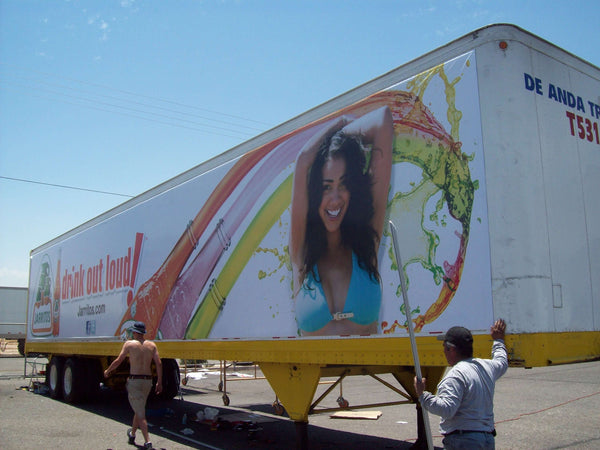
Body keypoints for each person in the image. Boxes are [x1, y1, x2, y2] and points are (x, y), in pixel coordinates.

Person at [290, 106, 393, 336]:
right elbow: (303, 159)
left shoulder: (368, 244)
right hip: (312, 371)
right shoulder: (301, 254)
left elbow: (383, 119)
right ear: (315, 193)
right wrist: (336, 127)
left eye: (343, 184)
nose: (335, 198)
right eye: (326, 187)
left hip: (367, 371)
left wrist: (344, 127)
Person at [414, 319, 508, 449]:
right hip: (487, 439)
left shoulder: (456, 375)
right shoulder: (487, 367)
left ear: (451, 349)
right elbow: (502, 362)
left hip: (463, 440)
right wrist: (498, 340)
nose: (443, 352)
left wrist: (422, 394)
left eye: (444, 348)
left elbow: (447, 409)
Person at [104, 321, 163, 450]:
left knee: (141, 412)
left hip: (135, 380)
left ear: (136, 332)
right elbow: (158, 364)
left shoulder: (129, 344)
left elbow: (118, 360)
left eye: (133, 332)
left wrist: (108, 371)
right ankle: (132, 434)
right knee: (140, 407)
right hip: (147, 381)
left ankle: (148, 442)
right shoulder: (152, 345)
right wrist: (160, 382)